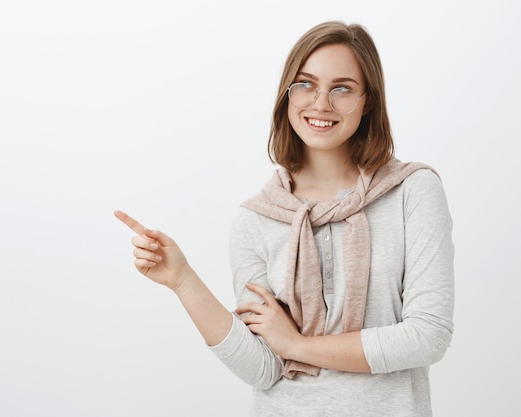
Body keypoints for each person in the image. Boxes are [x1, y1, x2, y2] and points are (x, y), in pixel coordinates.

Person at [114, 20, 454, 417]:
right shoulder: (255, 218)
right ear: (287, 96)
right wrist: (182, 280)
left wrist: (297, 346)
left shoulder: (412, 191)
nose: (321, 103)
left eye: (342, 88)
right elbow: (262, 368)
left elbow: (427, 336)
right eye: (306, 84)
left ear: (369, 101)